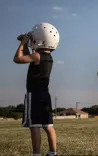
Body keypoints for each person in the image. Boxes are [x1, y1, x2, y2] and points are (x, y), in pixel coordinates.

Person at [13, 23, 59, 156]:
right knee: (48, 126)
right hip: (45, 95)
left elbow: (17, 59)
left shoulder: (37, 56)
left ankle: (36, 154)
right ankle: (52, 153)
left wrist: (22, 43)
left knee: (34, 126)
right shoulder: (47, 57)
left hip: (34, 95)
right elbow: (29, 57)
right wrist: (27, 45)